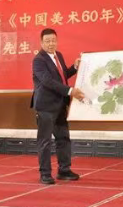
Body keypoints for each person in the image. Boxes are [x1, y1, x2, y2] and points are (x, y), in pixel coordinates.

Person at [31, 28, 85, 184]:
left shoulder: (58, 55)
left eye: (53, 40)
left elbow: (62, 76)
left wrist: (74, 67)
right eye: (47, 41)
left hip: (60, 105)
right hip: (46, 107)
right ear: (41, 43)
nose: (51, 43)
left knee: (63, 138)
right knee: (45, 141)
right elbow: (48, 81)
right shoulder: (38, 60)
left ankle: (64, 170)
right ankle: (45, 174)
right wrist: (70, 91)